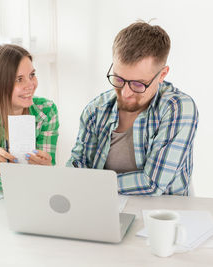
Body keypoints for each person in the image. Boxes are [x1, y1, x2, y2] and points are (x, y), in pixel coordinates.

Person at [67, 22, 198, 196]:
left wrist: (93, 184)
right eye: (119, 79)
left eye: (138, 84)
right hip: (105, 209)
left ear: (162, 74)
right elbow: (77, 167)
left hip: (164, 217)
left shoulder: (178, 108)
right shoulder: (95, 110)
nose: (125, 93)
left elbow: (152, 184)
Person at [0, 44, 59, 191]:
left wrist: (45, 169)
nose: (31, 85)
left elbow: (43, 177)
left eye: (32, 75)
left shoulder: (46, 110)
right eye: (19, 79)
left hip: (30, 192)